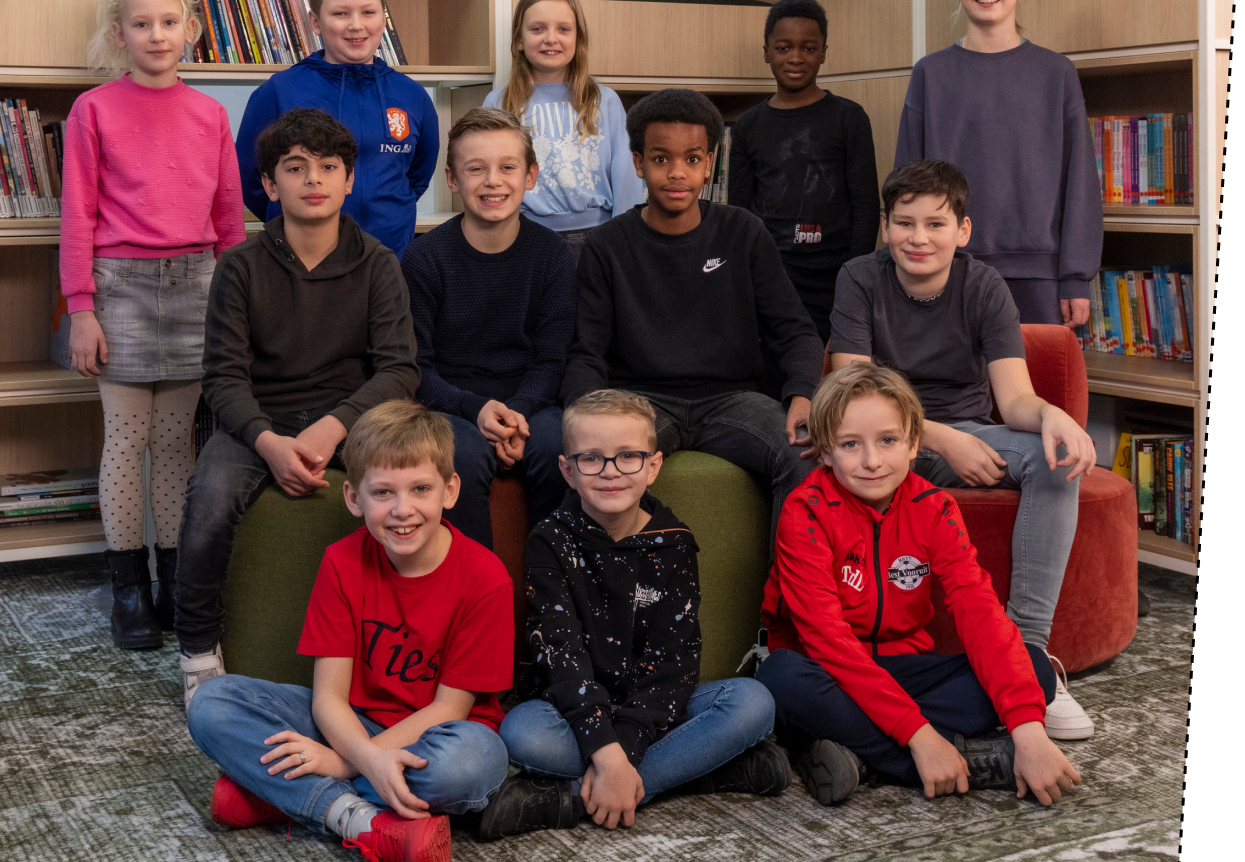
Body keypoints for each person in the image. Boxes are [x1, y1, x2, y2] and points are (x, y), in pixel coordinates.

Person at [187, 401, 515, 862]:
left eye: (420, 489)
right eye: (382, 492)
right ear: (353, 497)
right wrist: (365, 756)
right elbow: (328, 699)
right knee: (212, 702)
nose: (402, 510)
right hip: (351, 724)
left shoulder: (486, 578)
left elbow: (450, 709)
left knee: (471, 766)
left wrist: (341, 763)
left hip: (440, 737)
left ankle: (278, 796)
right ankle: (357, 820)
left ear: (449, 490)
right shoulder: (342, 562)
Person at [827, 158, 1099, 740]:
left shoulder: (983, 285)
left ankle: (1027, 657)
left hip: (972, 432)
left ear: (963, 230)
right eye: (905, 223)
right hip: (884, 440)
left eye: (935, 224)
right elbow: (852, 392)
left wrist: (1052, 415)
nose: (918, 238)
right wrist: (944, 439)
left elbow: (1015, 398)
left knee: (1053, 463)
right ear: (885, 226)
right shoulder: (859, 277)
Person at [173, 108, 419, 705]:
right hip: (261, 423)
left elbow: (398, 370)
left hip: (351, 421)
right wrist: (267, 442)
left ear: (349, 180)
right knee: (208, 499)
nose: (314, 179)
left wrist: (335, 428)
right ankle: (198, 650)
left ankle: (416, 641)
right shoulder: (240, 266)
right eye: (295, 167)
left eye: (329, 167)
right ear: (269, 183)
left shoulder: (378, 263)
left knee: (418, 489)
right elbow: (222, 377)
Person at [755, 362, 1083, 808]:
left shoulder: (935, 508)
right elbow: (827, 640)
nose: (872, 461)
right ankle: (964, 761)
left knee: (1033, 667)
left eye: (888, 441)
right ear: (826, 453)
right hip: (829, 672)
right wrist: (921, 736)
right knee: (780, 678)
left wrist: (1029, 733)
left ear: (914, 444)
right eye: (850, 444)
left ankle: (862, 758)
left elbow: (980, 612)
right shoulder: (805, 512)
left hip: (908, 671)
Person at [481, 390, 789, 838]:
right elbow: (560, 654)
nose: (610, 471)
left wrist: (620, 754)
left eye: (628, 456)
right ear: (567, 470)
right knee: (522, 733)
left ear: (653, 466)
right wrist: (606, 750)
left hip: (656, 709)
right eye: (591, 458)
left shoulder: (674, 544)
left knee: (753, 703)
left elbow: (673, 665)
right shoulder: (550, 540)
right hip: (574, 710)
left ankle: (570, 799)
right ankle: (705, 771)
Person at [62, 0, 245, 651]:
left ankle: (173, 584)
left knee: (174, 444)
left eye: (169, 22)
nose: (157, 34)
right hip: (119, 287)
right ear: (121, 34)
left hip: (198, 285)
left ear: (191, 30)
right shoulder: (94, 110)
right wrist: (82, 308)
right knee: (126, 440)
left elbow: (229, 218)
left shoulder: (209, 114)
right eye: (142, 24)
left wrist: (233, 302)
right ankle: (128, 592)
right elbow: (77, 214)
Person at [562, 88, 824, 544]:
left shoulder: (743, 231)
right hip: (640, 402)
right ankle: (602, 588)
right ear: (639, 163)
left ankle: (789, 592)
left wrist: (803, 394)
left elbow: (795, 330)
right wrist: (588, 417)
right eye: (661, 159)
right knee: (601, 463)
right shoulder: (606, 246)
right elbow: (587, 351)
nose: (677, 172)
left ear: (709, 164)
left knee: (804, 455)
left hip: (733, 400)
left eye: (692, 158)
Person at [894, 0, 1102, 328]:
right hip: (945, 267)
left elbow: (1080, 183)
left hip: (1038, 275)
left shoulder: (1056, 72)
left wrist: (1075, 276)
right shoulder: (930, 74)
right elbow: (905, 183)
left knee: (1036, 371)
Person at [400, 108, 573, 549]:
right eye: (476, 169)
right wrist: (475, 409)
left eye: (507, 167)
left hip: (532, 402)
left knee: (561, 446)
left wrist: (518, 414)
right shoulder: (423, 259)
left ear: (530, 175)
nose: (493, 181)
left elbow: (552, 358)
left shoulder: (554, 255)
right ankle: (477, 586)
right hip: (450, 404)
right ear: (452, 179)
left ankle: (553, 584)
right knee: (463, 454)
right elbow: (417, 366)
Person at [235, 0, 438, 258]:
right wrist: (290, 221)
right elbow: (251, 178)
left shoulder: (412, 96)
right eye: (341, 13)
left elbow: (417, 177)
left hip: (390, 259)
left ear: (383, 18)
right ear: (316, 22)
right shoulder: (278, 92)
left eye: (368, 12)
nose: (356, 25)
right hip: (301, 262)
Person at [728, 0, 880, 343]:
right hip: (770, 274)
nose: (796, 57)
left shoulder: (849, 117)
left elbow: (866, 205)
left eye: (808, 48)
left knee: (832, 365)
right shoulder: (749, 125)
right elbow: (739, 210)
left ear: (824, 52)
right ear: (766, 52)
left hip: (835, 275)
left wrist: (854, 275)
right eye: (783, 48)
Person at [483, 0, 644, 258]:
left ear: (578, 39)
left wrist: (624, 237)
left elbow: (626, 173)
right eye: (537, 29)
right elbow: (491, 174)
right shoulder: (498, 103)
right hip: (523, 236)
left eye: (563, 29)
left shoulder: (604, 101)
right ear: (519, 40)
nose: (551, 38)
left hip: (599, 237)